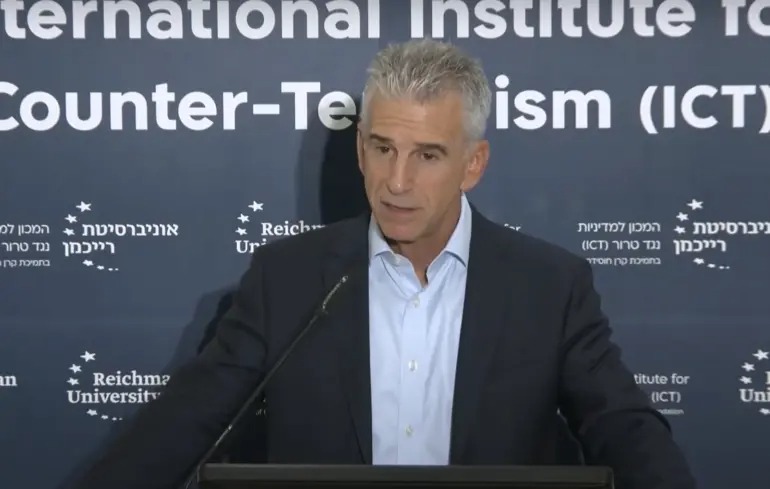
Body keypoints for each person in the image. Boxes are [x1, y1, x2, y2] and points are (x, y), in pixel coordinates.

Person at [71, 39, 697, 489]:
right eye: (382, 148)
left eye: (427, 155)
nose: (397, 182)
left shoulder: (549, 286)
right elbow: (181, 426)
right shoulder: (286, 279)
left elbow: (626, 429)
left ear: (473, 164)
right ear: (360, 150)